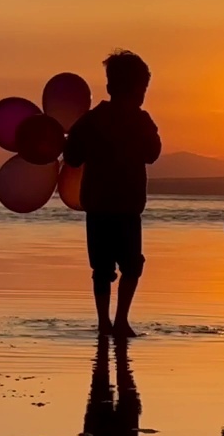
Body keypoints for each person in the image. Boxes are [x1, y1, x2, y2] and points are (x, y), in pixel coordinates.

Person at [64, 50, 162, 338]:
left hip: (102, 206)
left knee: (103, 268)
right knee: (130, 265)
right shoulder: (139, 120)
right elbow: (153, 154)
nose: (142, 95)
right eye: (141, 89)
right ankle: (118, 320)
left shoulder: (91, 120)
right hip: (123, 206)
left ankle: (106, 321)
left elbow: (71, 157)